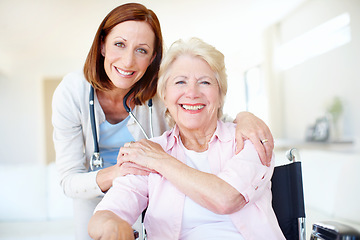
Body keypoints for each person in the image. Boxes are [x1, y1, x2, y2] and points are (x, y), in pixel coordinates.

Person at [52, 3, 274, 240]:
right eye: (119, 44)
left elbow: (208, 118)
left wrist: (246, 117)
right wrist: (113, 210)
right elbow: (77, 187)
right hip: (99, 185)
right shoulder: (72, 92)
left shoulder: (242, 143)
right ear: (102, 45)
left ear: (153, 58)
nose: (128, 62)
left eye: (141, 50)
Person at [88, 37, 284, 240]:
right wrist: (112, 227)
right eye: (180, 82)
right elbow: (107, 213)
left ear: (220, 95)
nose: (192, 93)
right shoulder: (151, 150)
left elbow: (226, 199)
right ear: (164, 95)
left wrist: (160, 161)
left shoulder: (248, 138)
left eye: (205, 82)